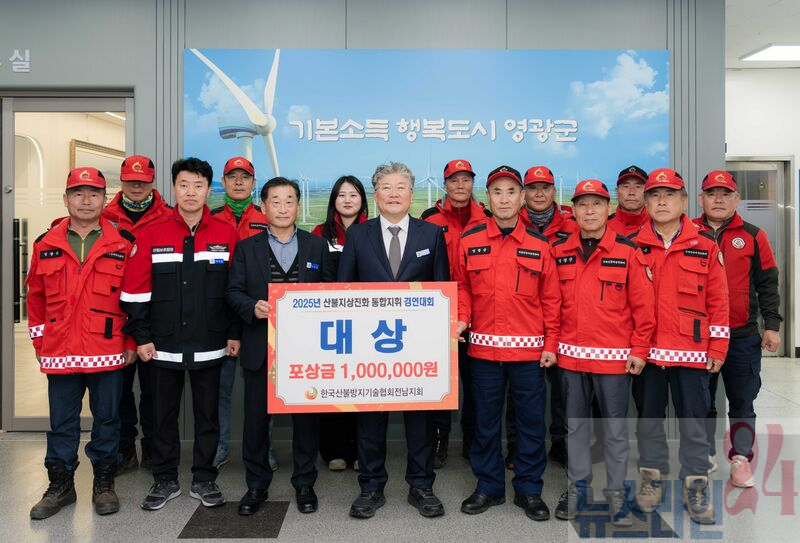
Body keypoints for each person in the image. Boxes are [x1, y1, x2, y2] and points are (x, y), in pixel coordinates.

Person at [121, 157, 239, 511]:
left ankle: (204, 479)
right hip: (161, 346)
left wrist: (234, 333)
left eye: (198, 185)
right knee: (161, 418)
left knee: (208, 417)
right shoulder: (152, 233)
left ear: (209, 190)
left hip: (210, 344)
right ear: (173, 188)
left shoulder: (225, 232)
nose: (191, 192)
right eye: (184, 185)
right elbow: (135, 292)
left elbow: (235, 289)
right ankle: (164, 479)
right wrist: (142, 337)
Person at [338, 161, 449, 519]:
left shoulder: (431, 234)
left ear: (412, 194)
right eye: (386, 187)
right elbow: (344, 290)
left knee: (420, 421)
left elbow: (443, 290)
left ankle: (422, 486)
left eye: (401, 187)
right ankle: (371, 487)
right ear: (376, 195)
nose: (394, 194)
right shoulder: (358, 235)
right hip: (370, 345)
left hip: (418, 347)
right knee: (371, 421)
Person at [27, 167, 135, 519]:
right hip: (60, 350)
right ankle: (60, 486)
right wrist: (40, 344)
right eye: (78, 193)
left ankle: (104, 483)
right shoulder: (45, 244)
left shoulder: (123, 243)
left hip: (107, 349)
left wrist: (131, 341)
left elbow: (134, 299)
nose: (85, 200)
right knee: (62, 423)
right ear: (66, 199)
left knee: (108, 420)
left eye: (93, 194)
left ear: (105, 199)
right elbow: (35, 299)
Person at [455, 165, 559, 522]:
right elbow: (462, 286)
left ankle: (529, 489)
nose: (504, 199)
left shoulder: (540, 244)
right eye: (497, 192)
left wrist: (551, 342)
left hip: (529, 354)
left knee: (530, 423)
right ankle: (489, 486)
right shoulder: (469, 240)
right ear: (487, 198)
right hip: (484, 352)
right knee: (485, 423)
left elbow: (552, 299)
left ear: (523, 198)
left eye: (511, 192)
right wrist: (463, 317)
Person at [551, 179, 655, 526]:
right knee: (575, 428)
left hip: (613, 360)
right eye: (582, 204)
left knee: (614, 431)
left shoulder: (628, 252)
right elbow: (551, 304)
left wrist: (640, 349)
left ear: (608, 209)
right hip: (570, 358)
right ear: (573, 211)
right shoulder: (559, 251)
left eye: (596, 204)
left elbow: (644, 308)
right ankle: (578, 488)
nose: (590, 211)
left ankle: (616, 492)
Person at [228, 177, 334, 515]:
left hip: (306, 350)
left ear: (298, 206)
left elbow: (332, 290)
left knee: (306, 422)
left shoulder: (316, 246)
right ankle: (256, 485)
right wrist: (252, 307)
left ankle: (304, 483)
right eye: (276, 201)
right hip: (261, 348)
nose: (283, 208)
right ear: (263, 206)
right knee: (256, 423)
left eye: (290, 201)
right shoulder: (247, 248)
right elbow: (233, 292)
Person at [630, 167, 729, 525]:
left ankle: (696, 485)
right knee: (648, 422)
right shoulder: (633, 246)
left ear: (684, 201)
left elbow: (719, 301)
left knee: (694, 424)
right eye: (654, 196)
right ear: (646, 203)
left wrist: (718, 347)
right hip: (648, 354)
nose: (661, 201)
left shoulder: (705, 245)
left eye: (669, 195)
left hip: (692, 353)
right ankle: (652, 478)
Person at [695, 170, 782, 486]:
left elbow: (767, 283)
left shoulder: (754, 236)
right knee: (701, 401)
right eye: (712, 193)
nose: (718, 199)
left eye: (726, 194)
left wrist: (771, 325)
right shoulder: (688, 233)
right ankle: (704, 455)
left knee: (743, 401)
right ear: (701, 199)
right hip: (699, 337)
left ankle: (741, 459)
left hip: (741, 336)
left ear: (737, 199)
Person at [420, 159, 491, 466]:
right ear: (444, 184)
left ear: (472, 183)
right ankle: (439, 440)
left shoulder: (488, 217)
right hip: (439, 313)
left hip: (481, 314)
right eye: (454, 180)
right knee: (440, 381)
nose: (460, 185)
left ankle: (472, 441)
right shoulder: (429, 218)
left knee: (476, 384)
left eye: (466, 179)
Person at [103, 155, 171, 475]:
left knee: (155, 392)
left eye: (142, 182)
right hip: (113, 316)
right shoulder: (105, 218)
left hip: (156, 318)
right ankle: (125, 448)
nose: (136, 186)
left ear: (152, 182)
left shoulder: (168, 217)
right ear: (121, 180)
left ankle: (153, 448)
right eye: (131, 181)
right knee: (118, 392)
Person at [209, 156, 277, 472]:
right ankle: (220, 448)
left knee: (265, 394)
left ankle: (265, 449)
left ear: (253, 183)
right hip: (218, 318)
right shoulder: (210, 220)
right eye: (232, 177)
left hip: (258, 319)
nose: (238, 182)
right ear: (223, 182)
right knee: (218, 391)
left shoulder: (269, 220)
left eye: (245, 177)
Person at [518, 165, 578, 468]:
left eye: (545, 187)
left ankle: (561, 444)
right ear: (523, 193)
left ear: (554, 191)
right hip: (523, 321)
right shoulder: (511, 222)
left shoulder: (572, 224)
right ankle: (517, 446)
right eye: (533, 188)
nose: (539, 194)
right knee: (520, 393)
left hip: (563, 320)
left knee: (563, 392)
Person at [311, 175, 369, 472]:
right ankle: (333, 450)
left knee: (363, 386)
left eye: (354, 194)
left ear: (363, 200)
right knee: (333, 386)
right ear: (334, 200)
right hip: (331, 322)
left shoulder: (373, 231)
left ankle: (361, 451)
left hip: (368, 322)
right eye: (342, 195)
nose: (348, 200)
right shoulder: (320, 233)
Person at [608, 165, 649, 236]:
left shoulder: (658, 225)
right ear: (617, 192)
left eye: (638, 187)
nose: (631, 192)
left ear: (646, 192)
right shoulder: (602, 226)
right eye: (626, 186)